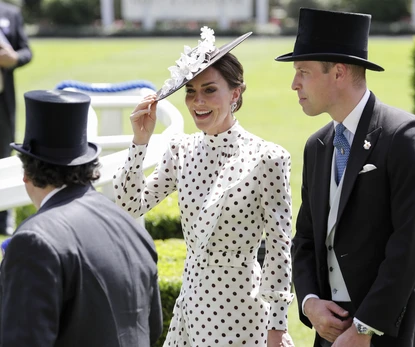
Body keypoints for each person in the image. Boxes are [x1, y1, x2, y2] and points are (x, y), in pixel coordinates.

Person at [113, 27, 294, 347]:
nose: (198, 102)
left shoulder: (268, 157)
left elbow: (280, 248)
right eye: (191, 91)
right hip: (193, 309)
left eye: (209, 90)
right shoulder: (180, 150)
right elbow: (127, 207)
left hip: (244, 313)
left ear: (235, 94)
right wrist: (140, 143)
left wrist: (277, 326)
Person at [275, 8, 415, 347]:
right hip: (332, 331)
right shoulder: (317, 146)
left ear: (338, 73)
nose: (294, 84)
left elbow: (411, 243)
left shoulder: (406, 136)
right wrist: (310, 304)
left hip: (394, 330)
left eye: (303, 72)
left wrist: (365, 327)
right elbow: (305, 239)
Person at [1, 89, 163, 346]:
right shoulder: (133, 230)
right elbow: (151, 329)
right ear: (88, 166)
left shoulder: (34, 240)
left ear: (26, 173)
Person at [0, 1, 32, 235]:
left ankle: (3, 218)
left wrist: (14, 59)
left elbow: (26, 51)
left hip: (2, 98)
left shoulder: (11, 12)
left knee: (3, 154)